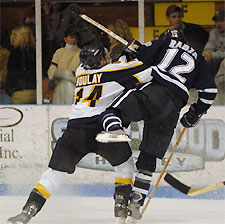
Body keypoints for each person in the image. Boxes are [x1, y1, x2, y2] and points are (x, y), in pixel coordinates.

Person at [7, 42, 154, 224]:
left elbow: (112, 67)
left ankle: (26, 213)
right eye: (104, 56)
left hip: (74, 131)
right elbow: (145, 69)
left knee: (53, 175)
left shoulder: (80, 71)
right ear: (101, 60)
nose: (106, 58)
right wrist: (141, 51)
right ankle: (120, 214)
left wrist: (125, 54)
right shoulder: (113, 74)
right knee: (124, 166)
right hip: (101, 129)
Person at [96, 30, 217, 223]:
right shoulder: (198, 58)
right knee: (149, 157)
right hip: (172, 110)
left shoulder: (164, 44)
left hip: (153, 92)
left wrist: (131, 49)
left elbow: (138, 56)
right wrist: (195, 112)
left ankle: (116, 130)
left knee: (111, 111)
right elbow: (210, 91)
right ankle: (136, 202)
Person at [47, 28, 81, 104]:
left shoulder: (80, 53)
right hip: (59, 81)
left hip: (74, 83)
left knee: (67, 83)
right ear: (65, 39)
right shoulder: (59, 52)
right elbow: (52, 69)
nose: (74, 40)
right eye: (71, 37)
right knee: (65, 75)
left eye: (75, 38)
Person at [5, 25, 36, 104]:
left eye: (15, 35)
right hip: (34, 91)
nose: (12, 37)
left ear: (22, 37)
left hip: (19, 92)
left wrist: (9, 88)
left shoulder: (15, 53)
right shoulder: (34, 52)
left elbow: (12, 74)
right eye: (12, 35)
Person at [202, 9, 225, 78]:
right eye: (216, 21)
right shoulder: (213, 32)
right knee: (204, 61)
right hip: (217, 63)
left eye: (222, 20)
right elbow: (209, 48)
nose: (218, 23)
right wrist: (206, 54)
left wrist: (212, 55)